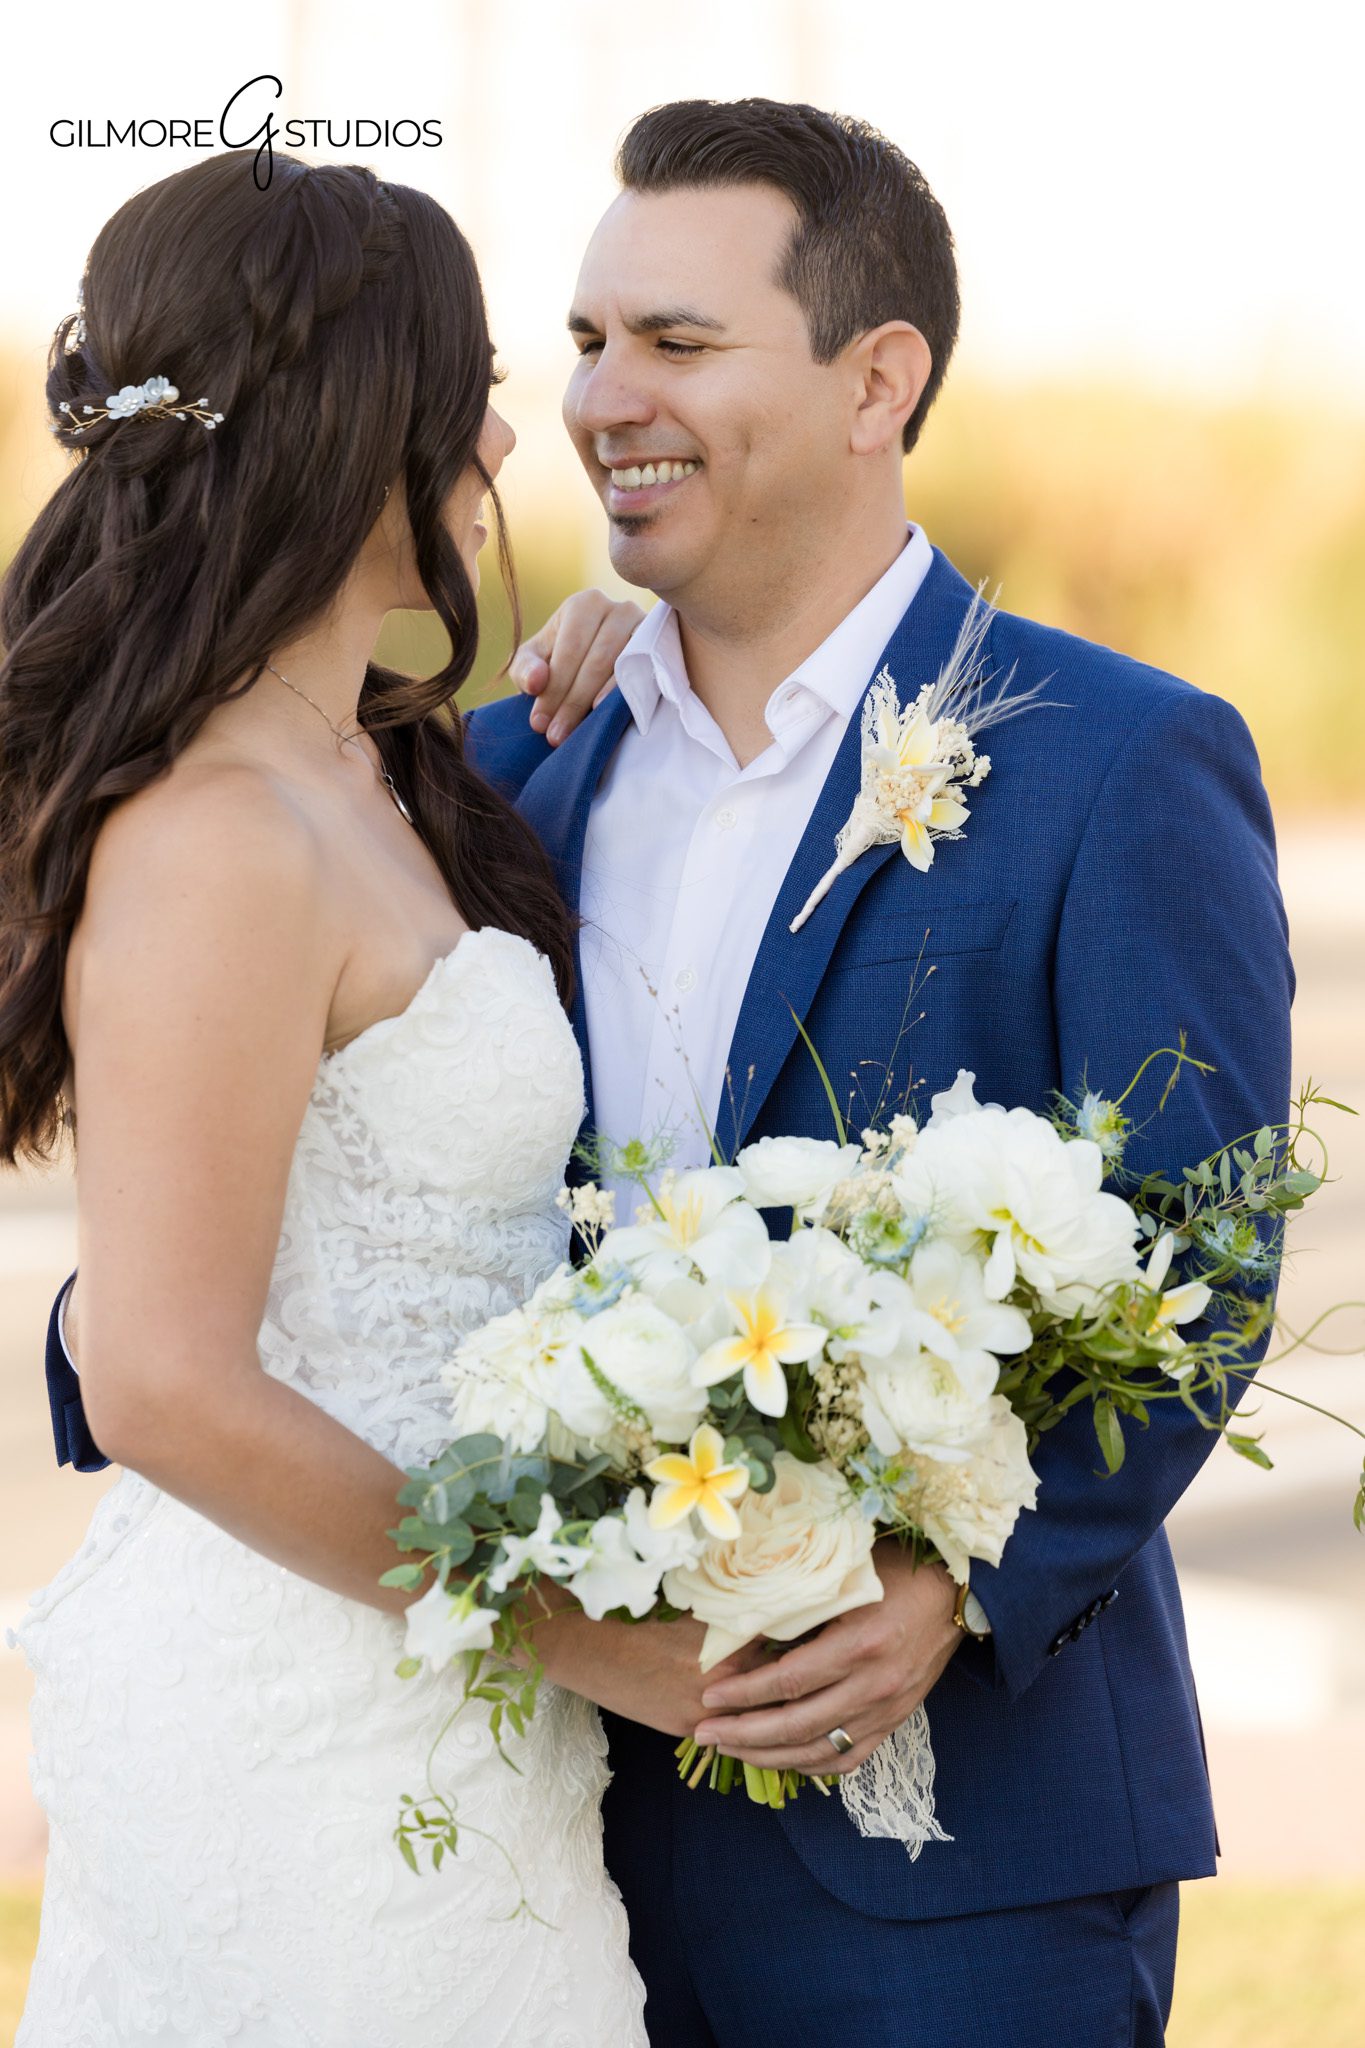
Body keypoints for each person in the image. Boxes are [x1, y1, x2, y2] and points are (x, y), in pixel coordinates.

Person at [460, 99, 1295, 2045]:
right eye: (583, 343)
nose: (601, 397)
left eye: (673, 341)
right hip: (549, 1845)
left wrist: (949, 1584)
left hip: (958, 1854)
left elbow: (1199, 1248)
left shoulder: (1112, 758)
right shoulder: (512, 773)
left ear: (873, 378)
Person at [0, 148, 652, 2046]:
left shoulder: (381, 771)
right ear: (355, 418)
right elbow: (162, 1382)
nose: (505, 431)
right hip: (308, 1708)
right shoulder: (216, 832)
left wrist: (625, 643)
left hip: (439, 1683)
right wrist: (594, 1641)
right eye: (464, 384)